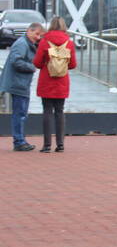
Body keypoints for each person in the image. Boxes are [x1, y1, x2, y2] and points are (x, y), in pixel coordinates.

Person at [33, 17, 77, 153]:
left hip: (47, 80)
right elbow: (73, 64)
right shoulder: (69, 43)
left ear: (51, 26)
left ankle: (47, 145)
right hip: (62, 81)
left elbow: (37, 63)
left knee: (47, 111)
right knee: (59, 111)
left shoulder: (45, 41)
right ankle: (60, 144)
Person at [1, 23, 44, 151]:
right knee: (19, 113)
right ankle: (19, 141)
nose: (38, 38)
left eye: (40, 35)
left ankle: (19, 140)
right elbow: (16, 61)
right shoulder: (22, 44)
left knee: (20, 113)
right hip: (18, 83)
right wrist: (32, 67)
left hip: (20, 83)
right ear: (29, 31)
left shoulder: (24, 43)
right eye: (37, 34)